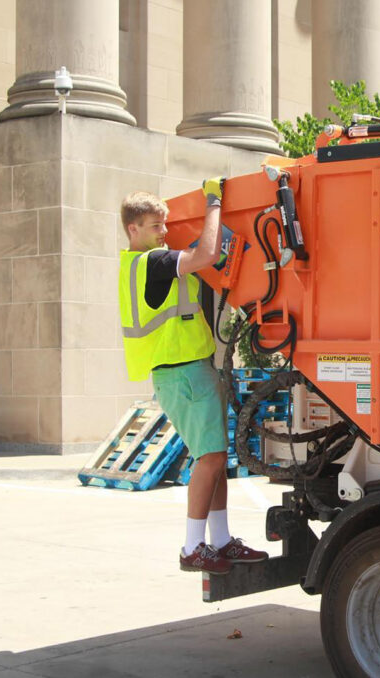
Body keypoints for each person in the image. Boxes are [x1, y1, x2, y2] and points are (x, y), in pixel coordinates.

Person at [117, 180, 267, 575]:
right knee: (211, 458)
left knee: (215, 459)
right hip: (182, 374)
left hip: (191, 370)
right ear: (133, 229)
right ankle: (192, 546)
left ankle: (219, 541)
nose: (163, 233)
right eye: (155, 226)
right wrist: (213, 203)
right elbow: (209, 252)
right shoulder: (153, 262)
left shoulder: (145, 264)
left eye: (164, 225)